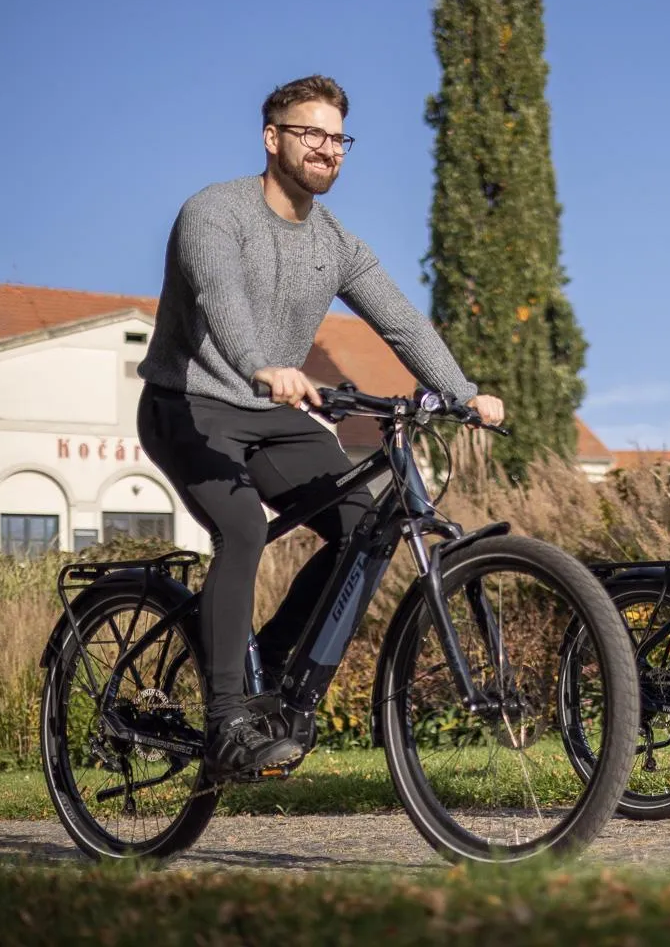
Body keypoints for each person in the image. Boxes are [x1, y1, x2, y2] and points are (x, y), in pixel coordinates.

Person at [136, 75, 504, 780]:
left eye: (338, 138)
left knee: (366, 527)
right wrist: (262, 364)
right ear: (272, 138)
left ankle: (269, 666)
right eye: (311, 133)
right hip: (190, 403)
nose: (327, 149)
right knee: (242, 526)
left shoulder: (336, 244)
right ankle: (224, 722)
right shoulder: (213, 214)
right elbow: (222, 300)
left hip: (275, 411)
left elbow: (399, 321)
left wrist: (461, 393)